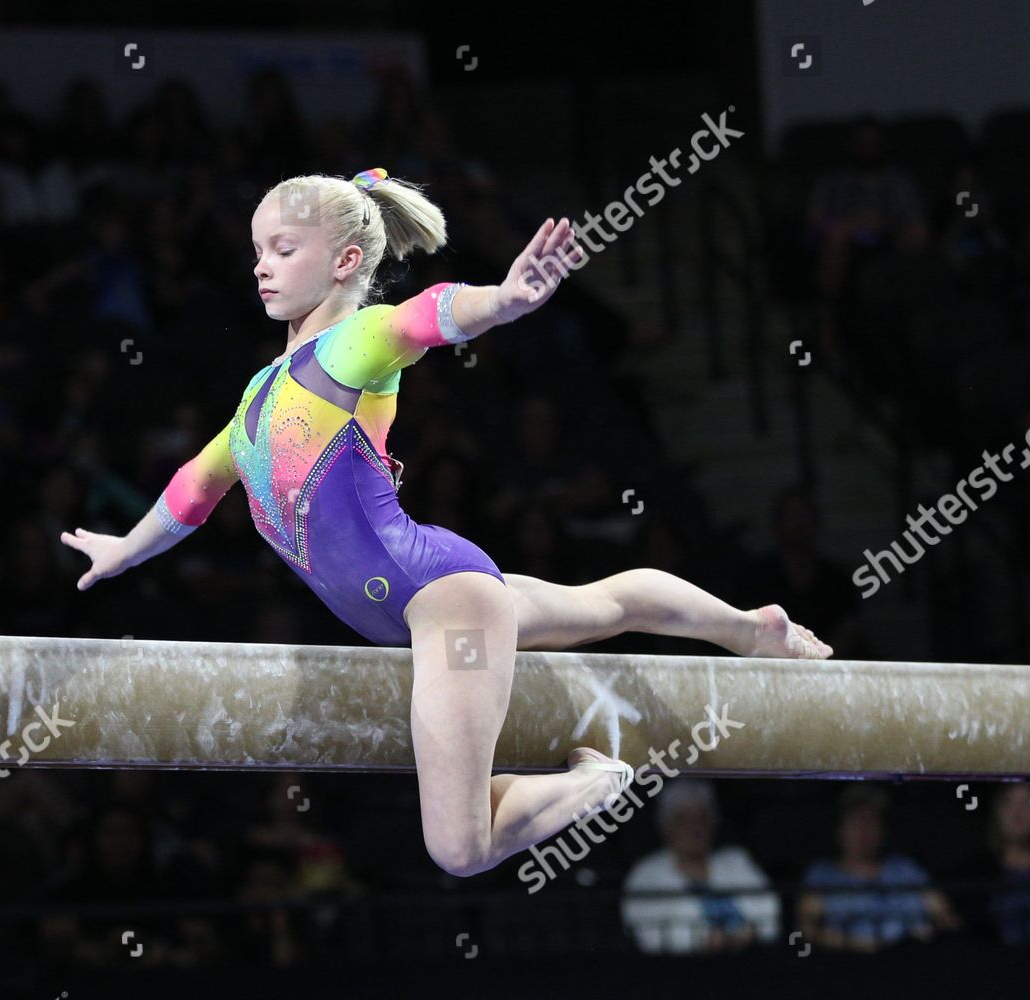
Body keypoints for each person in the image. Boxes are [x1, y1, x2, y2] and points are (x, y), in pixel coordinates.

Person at [61, 167, 832, 878]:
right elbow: (193, 491)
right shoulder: (260, 393)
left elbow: (423, 318)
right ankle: (749, 627)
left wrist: (505, 299)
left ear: (344, 261)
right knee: (605, 604)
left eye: (283, 248)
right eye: (257, 249)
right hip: (436, 592)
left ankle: (598, 781)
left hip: (443, 607)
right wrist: (124, 549)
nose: (260, 265)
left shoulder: (349, 344)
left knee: (460, 848)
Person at [621, 780, 780, 954]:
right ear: (666, 826)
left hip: (747, 962)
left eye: (702, 818)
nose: (694, 828)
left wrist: (746, 933)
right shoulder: (646, 874)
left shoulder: (736, 860)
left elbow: (770, 913)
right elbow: (648, 936)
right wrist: (703, 940)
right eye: (683, 819)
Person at [797, 785, 960, 951]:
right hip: (844, 964)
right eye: (855, 823)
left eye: (871, 823)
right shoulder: (822, 874)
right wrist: (854, 943)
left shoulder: (906, 870)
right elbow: (806, 932)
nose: (863, 833)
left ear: (883, 832)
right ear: (839, 830)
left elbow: (948, 920)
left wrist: (927, 935)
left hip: (908, 961)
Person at [953, 783, 1030, 946]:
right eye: (1008, 802)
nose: (1018, 812)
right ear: (996, 810)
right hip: (996, 965)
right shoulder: (974, 872)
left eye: (1028, 802)